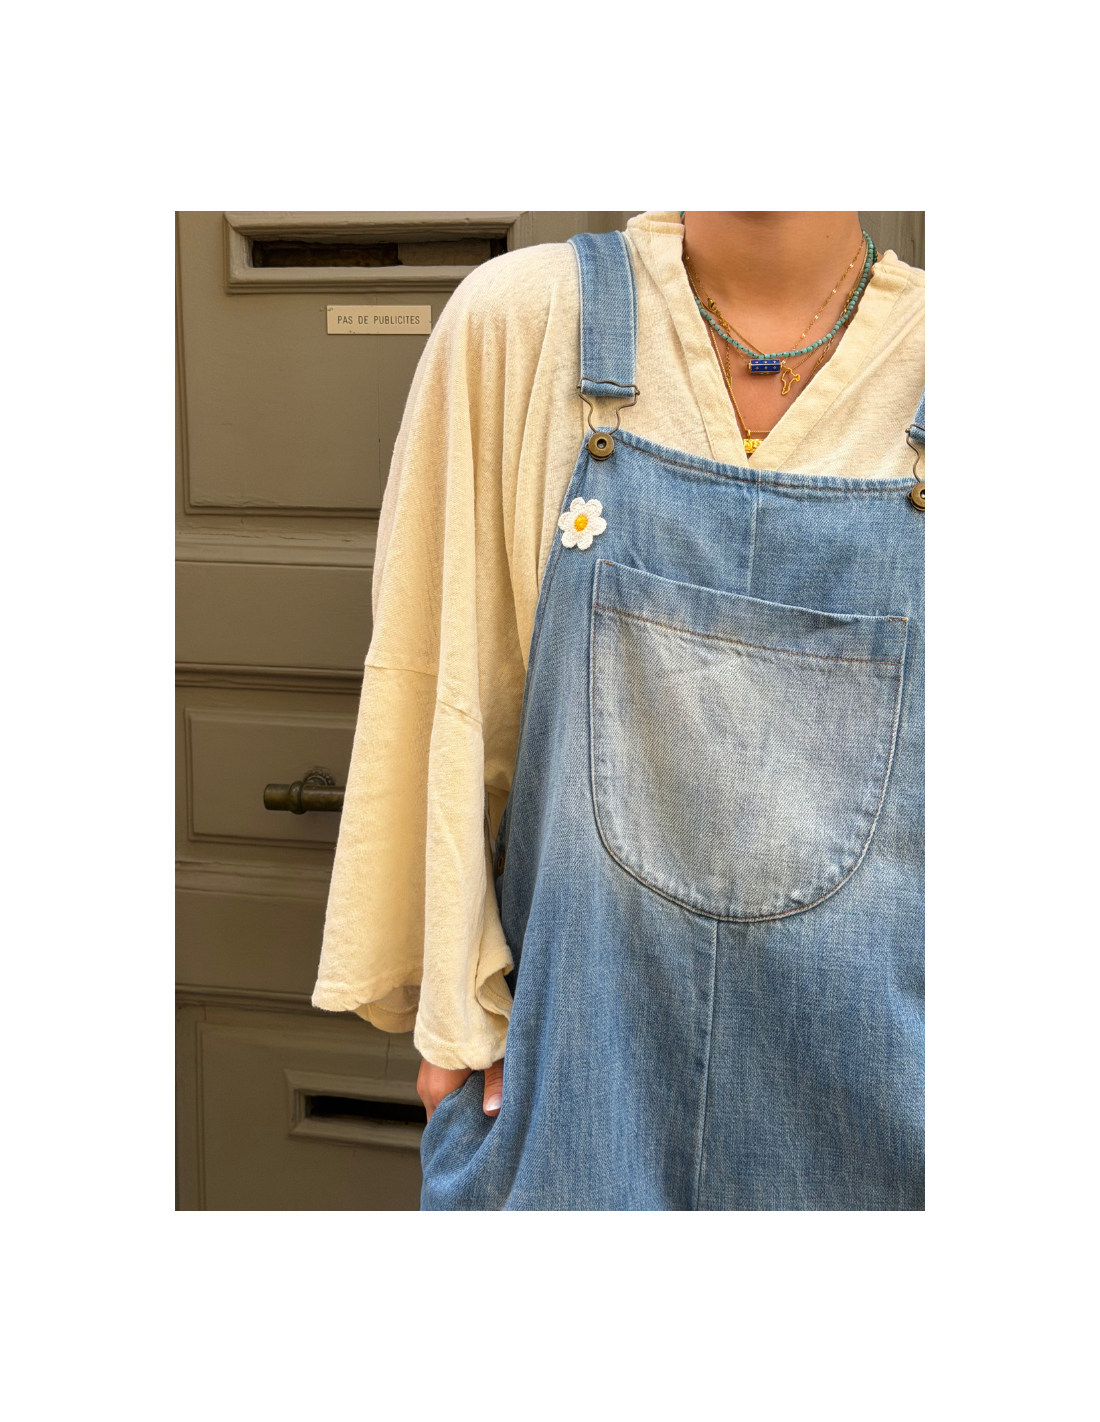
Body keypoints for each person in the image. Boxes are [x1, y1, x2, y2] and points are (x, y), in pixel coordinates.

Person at [312, 211, 925, 1210]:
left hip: (892, 1125)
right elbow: (439, 689)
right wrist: (452, 1017)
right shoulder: (522, 324)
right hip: (573, 1095)